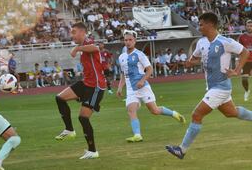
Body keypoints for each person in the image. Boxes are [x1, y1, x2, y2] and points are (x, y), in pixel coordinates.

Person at [166, 12, 252, 159]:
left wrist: (237, 70)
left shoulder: (225, 41)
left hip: (221, 87)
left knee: (196, 114)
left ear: (210, 24)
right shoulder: (201, 42)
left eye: (201, 24)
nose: (199, 27)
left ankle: (182, 150)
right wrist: (189, 62)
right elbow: (196, 59)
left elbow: (244, 52)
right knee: (231, 112)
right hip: (212, 87)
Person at [117, 33, 186, 143]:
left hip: (143, 87)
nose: (128, 42)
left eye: (130, 39)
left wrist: (142, 80)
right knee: (131, 110)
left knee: (154, 110)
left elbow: (149, 69)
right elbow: (123, 74)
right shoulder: (121, 57)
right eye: (126, 40)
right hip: (131, 90)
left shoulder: (140, 55)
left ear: (134, 41)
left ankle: (174, 114)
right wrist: (120, 87)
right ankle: (137, 135)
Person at [54, 22, 106, 159]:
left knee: (83, 118)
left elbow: (95, 47)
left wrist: (77, 48)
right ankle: (69, 129)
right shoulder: (83, 46)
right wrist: (79, 48)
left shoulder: (89, 42)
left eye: (74, 32)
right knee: (59, 98)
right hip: (86, 83)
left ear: (82, 32)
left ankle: (93, 151)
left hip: (96, 87)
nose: (72, 35)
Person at [238, 19, 252, 101]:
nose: (250, 27)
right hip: (247, 60)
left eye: (251, 26)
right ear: (245, 26)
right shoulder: (242, 37)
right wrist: (238, 59)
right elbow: (239, 49)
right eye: (248, 26)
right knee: (244, 79)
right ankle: (247, 91)